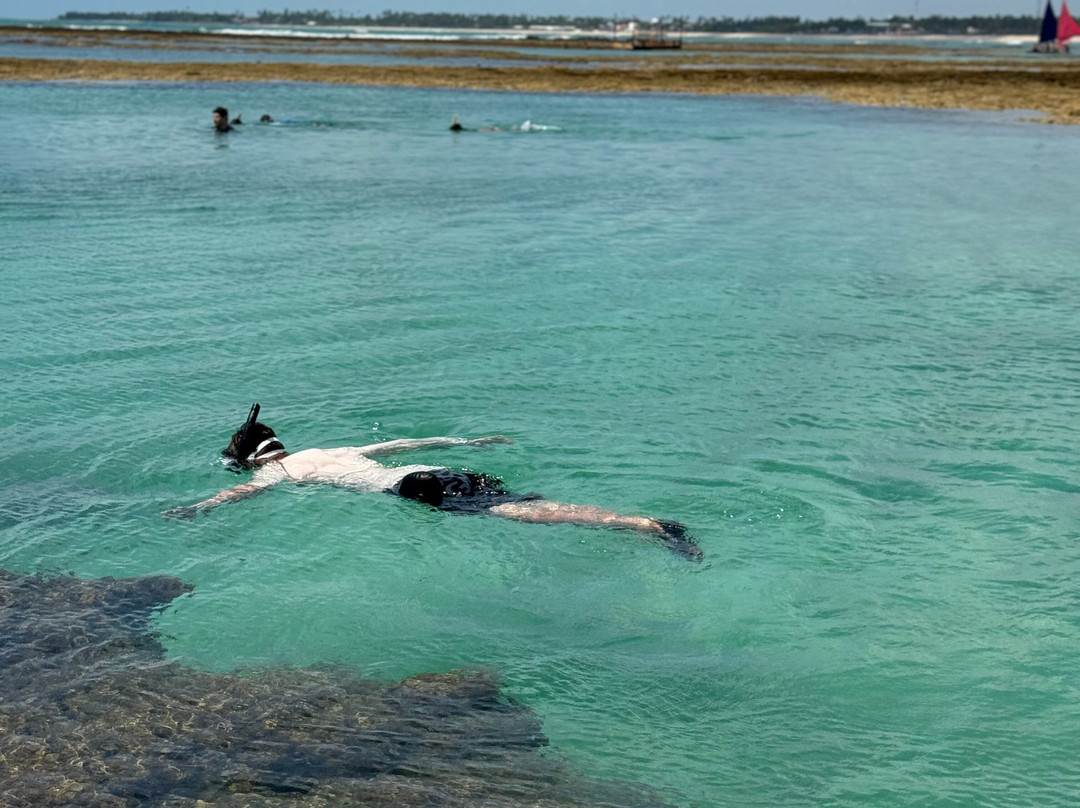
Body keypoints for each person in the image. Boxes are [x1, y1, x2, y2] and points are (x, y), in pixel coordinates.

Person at [163, 404, 702, 561]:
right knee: (518, 503)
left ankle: (643, 527)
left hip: (417, 488)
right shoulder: (329, 450)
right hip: (439, 471)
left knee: (516, 514)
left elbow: (240, 492)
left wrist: (199, 508)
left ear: (251, 459)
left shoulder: (278, 471)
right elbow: (401, 444)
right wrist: (471, 443)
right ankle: (640, 523)